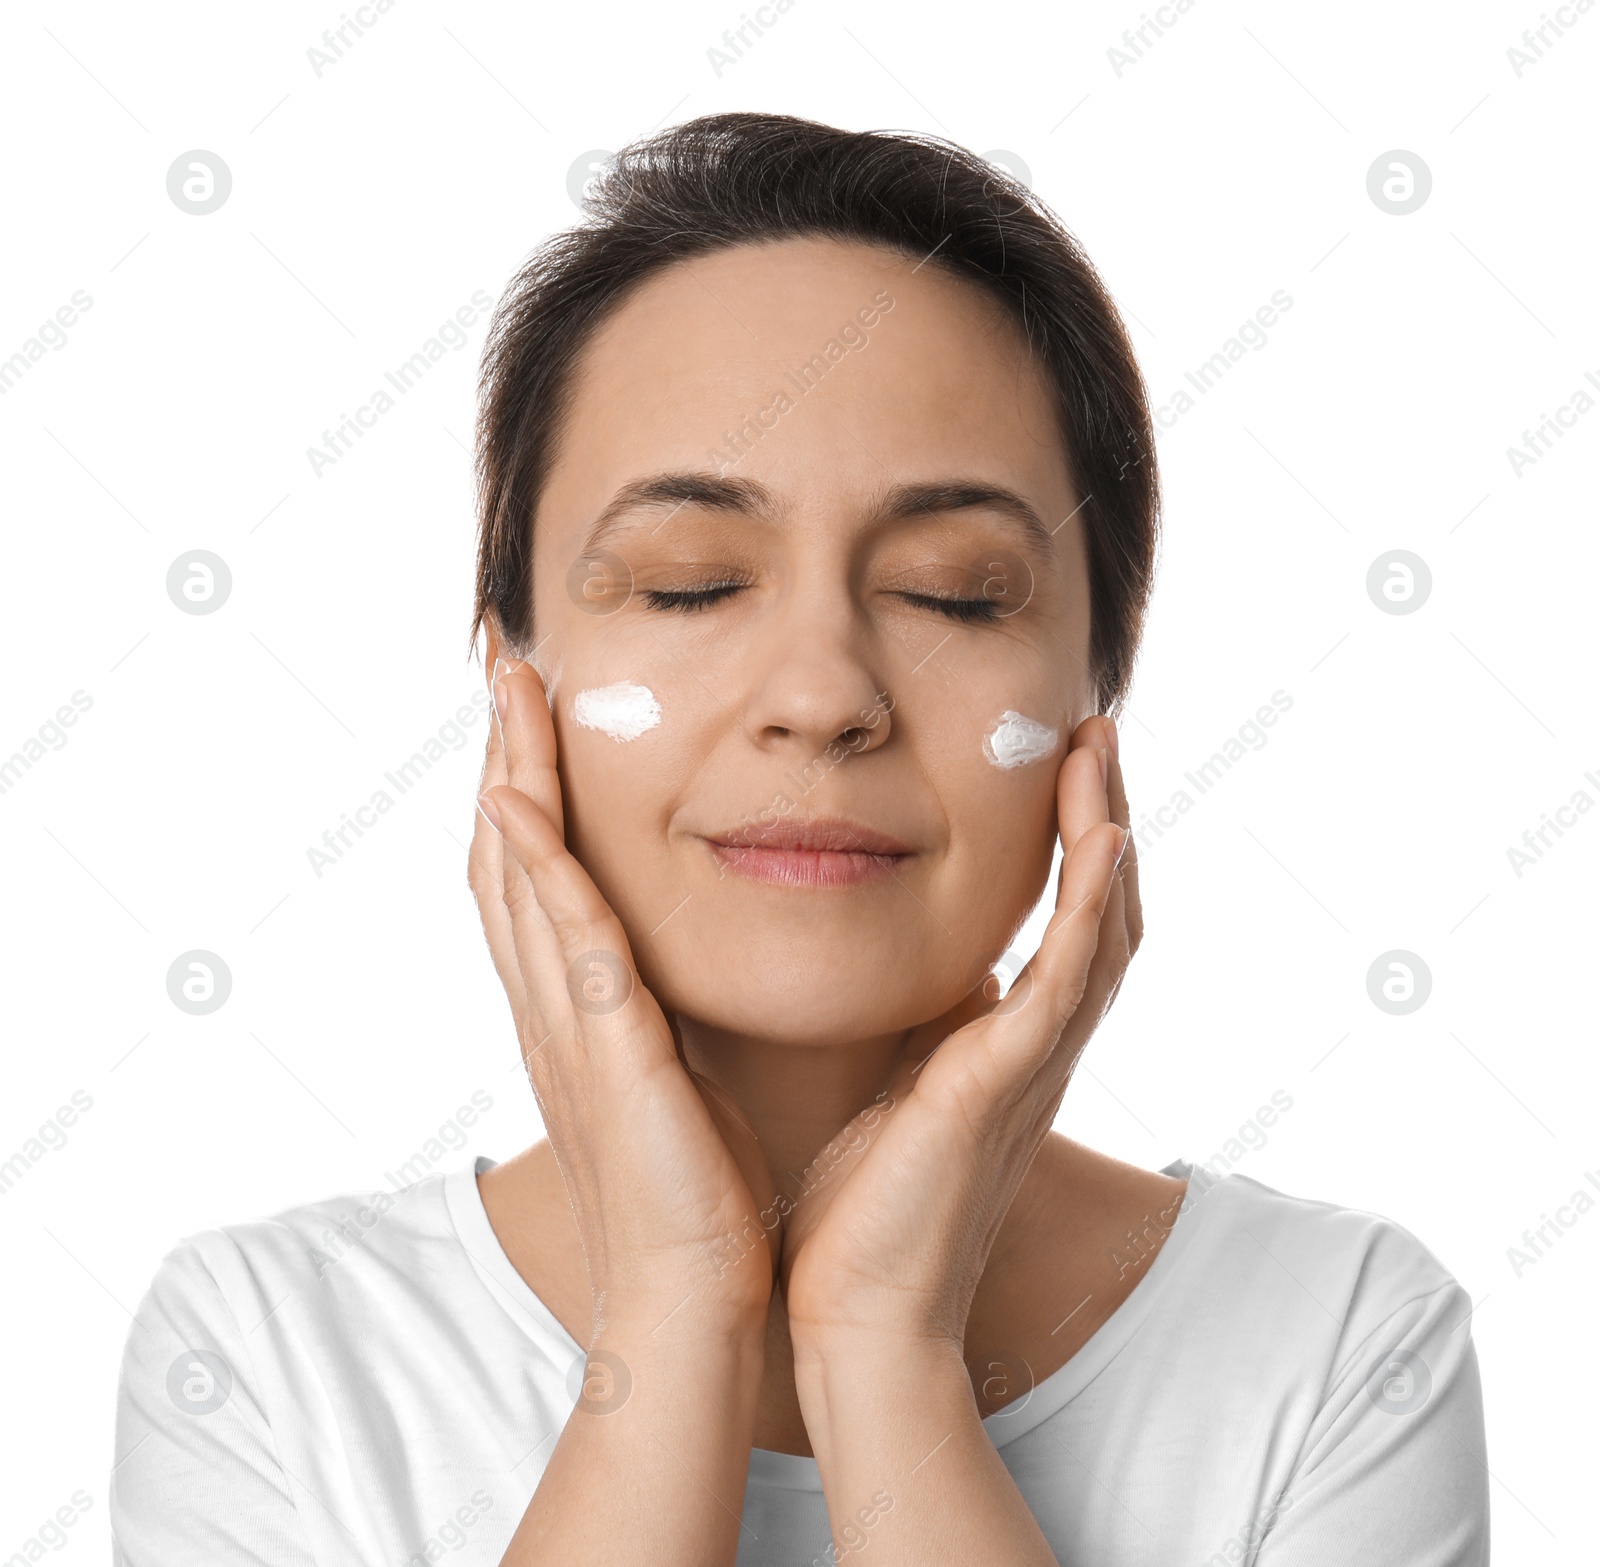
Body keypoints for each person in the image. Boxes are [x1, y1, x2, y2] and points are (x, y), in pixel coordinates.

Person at [110, 112, 1489, 1565]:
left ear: (1102, 691)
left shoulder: (1338, 1344)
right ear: (516, 677)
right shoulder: (268, 1363)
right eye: (693, 583)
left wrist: (887, 1352)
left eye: (958, 594)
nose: (824, 697)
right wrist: (671, 1310)